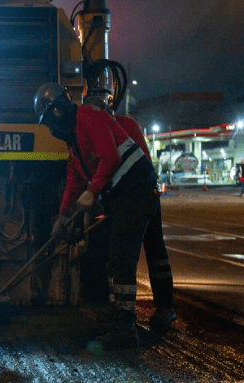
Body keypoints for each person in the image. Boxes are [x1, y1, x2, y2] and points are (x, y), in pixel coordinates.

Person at [34, 83, 159, 349]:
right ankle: (118, 319)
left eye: (47, 123)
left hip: (136, 190)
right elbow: (73, 182)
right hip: (123, 196)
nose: (50, 130)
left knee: (121, 259)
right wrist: (61, 216)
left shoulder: (87, 117)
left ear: (57, 112)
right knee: (113, 257)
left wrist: (93, 191)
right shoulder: (73, 141)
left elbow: (110, 157)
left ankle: (125, 329)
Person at [84, 97, 176, 329]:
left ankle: (164, 308)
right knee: (123, 252)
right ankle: (119, 307)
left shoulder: (128, 125)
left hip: (142, 194)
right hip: (126, 197)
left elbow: (131, 166)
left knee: (151, 251)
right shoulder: (99, 127)